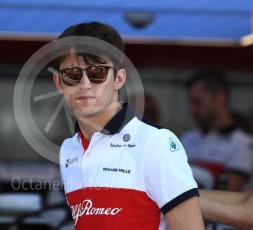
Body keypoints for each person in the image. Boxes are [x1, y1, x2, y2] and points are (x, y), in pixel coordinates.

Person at [52, 22, 204, 229]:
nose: (85, 84)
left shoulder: (155, 142)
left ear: (119, 79)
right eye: (72, 74)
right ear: (59, 82)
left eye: (97, 72)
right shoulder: (69, 149)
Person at [182, 71, 253, 191]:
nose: (191, 110)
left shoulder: (243, 143)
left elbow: (230, 191)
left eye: (198, 102)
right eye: (190, 102)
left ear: (219, 97)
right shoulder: (188, 138)